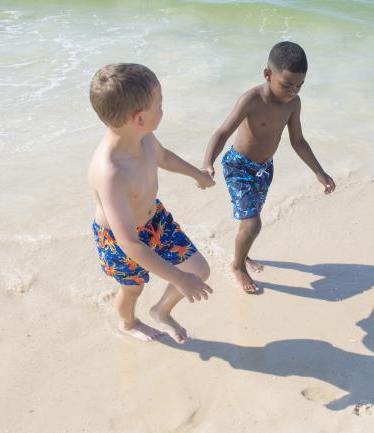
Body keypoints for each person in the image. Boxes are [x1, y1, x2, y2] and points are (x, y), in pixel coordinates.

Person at [88, 63, 214, 343]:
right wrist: (178, 279)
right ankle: (128, 323)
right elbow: (129, 243)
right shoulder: (110, 172)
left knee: (199, 270)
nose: (163, 110)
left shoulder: (143, 136)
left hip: (154, 221)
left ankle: (161, 311)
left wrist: (197, 175)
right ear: (140, 118)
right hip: (119, 240)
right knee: (133, 288)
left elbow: (163, 157)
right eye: (160, 105)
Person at [201, 42, 335, 294]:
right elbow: (222, 132)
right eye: (287, 84)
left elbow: (298, 141)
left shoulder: (293, 104)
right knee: (253, 223)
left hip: (264, 170)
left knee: (250, 221)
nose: (293, 90)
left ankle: (243, 254)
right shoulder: (251, 99)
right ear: (267, 74)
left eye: (299, 85)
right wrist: (208, 162)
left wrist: (319, 172)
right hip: (238, 166)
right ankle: (237, 266)